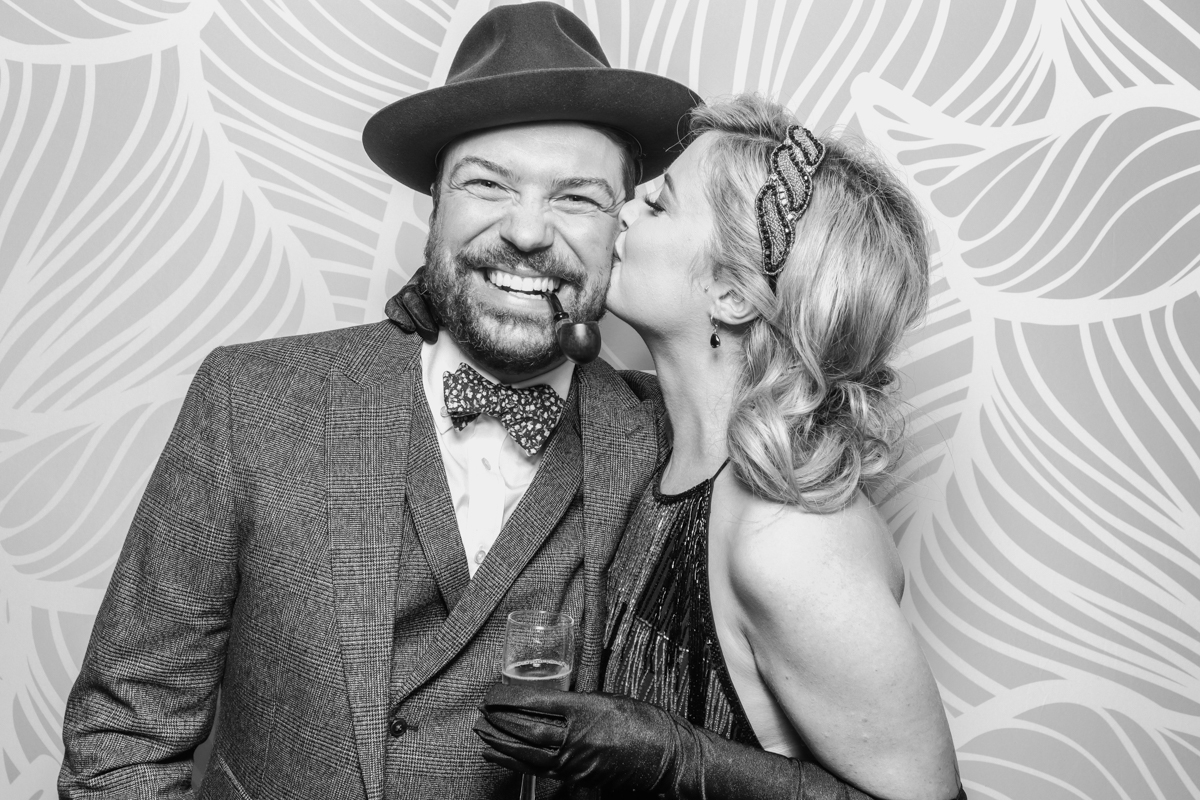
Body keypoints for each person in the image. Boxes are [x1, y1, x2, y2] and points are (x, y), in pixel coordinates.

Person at [57, 5, 701, 799]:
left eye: (576, 199)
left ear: (623, 227)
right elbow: (124, 733)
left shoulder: (672, 447)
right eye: (488, 185)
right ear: (435, 204)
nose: (529, 232)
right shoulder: (250, 401)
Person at [469, 96, 968, 800]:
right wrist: (445, 310)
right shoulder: (665, 445)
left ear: (732, 294)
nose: (630, 200)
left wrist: (674, 759)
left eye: (663, 202)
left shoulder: (788, 538)